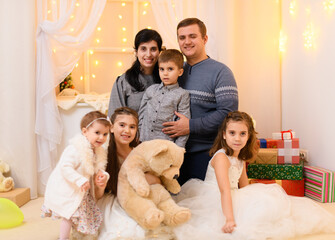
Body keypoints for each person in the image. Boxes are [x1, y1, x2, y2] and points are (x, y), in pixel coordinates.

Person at [172, 111, 335, 240]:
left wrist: (255, 199)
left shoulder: (240, 158)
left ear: (249, 135)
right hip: (216, 196)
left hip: (233, 194)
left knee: (270, 204)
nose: (237, 138)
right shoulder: (221, 158)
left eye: (242, 134)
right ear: (224, 134)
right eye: (232, 133)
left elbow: (244, 186)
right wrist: (229, 219)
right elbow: (224, 191)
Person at [162, 18, 239, 185]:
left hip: (206, 153)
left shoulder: (221, 72)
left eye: (192, 36)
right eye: (182, 38)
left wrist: (190, 126)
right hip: (171, 152)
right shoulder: (173, 71)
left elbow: (228, 115)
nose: (187, 42)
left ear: (205, 39)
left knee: (195, 205)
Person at [96, 107, 173, 239]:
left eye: (132, 127)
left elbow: (157, 180)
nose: (127, 131)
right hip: (117, 198)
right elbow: (98, 194)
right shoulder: (105, 155)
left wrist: (144, 179)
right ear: (111, 128)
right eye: (122, 125)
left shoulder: (140, 150)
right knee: (127, 228)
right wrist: (100, 185)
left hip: (142, 195)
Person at [42, 111, 111, 240]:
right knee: (69, 215)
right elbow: (65, 167)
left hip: (83, 190)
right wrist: (79, 179)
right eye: (97, 133)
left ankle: (80, 233)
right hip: (69, 188)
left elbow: (99, 169)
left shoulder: (98, 151)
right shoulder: (75, 149)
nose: (101, 137)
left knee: (81, 214)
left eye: (105, 134)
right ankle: (63, 238)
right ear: (85, 132)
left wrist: (103, 175)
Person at [138, 49, 190, 148]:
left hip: (166, 147)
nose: (165, 73)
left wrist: (178, 150)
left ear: (180, 72)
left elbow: (183, 125)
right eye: (162, 69)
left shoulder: (182, 95)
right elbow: (141, 115)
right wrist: (139, 137)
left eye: (170, 69)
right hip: (144, 144)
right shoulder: (151, 90)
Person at [107, 29, 163, 115]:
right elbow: (115, 117)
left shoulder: (167, 79)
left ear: (159, 52)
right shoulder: (123, 81)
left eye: (153, 49)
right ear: (136, 52)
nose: (148, 54)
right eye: (143, 49)